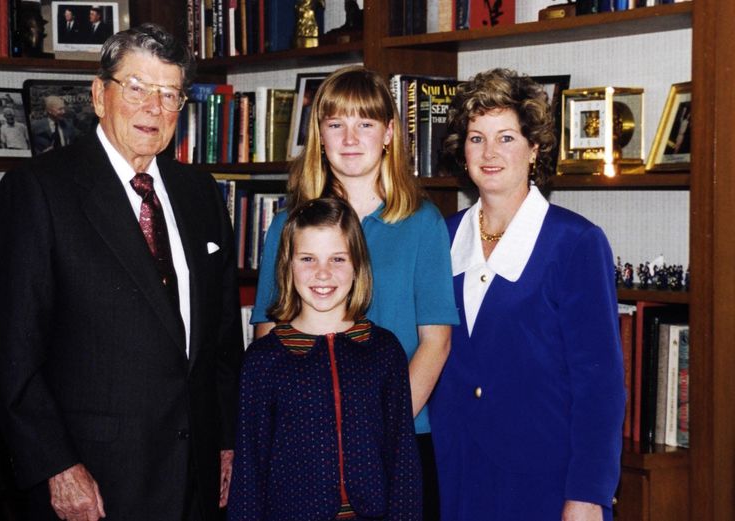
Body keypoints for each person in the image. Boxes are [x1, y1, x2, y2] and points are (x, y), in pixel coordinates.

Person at [0, 23, 243, 521]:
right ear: (100, 95)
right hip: (95, 483)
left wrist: (226, 439)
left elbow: (223, 339)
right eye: (138, 88)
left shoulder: (202, 195)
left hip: (195, 479)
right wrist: (57, 466)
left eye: (169, 95)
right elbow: (10, 353)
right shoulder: (39, 192)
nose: (153, 108)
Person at [250, 65, 458, 519]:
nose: (350, 138)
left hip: (401, 437)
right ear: (319, 137)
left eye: (365, 124)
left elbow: (436, 342)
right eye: (335, 124)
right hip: (304, 443)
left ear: (388, 133)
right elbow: (269, 336)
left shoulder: (423, 222)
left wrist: (380, 425)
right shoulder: (288, 226)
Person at [428, 68, 625, 521]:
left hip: (545, 479)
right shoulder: (444, 236)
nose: (490, 152)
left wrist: (588, 494)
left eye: (507, 138)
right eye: (477, 138)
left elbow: (601, 387)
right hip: (457, 475)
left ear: (534, 148)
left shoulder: (575, 242)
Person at [228, 197, 422, 520]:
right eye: (307, 259)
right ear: (288, 266)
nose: (322, 273)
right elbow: (249, 473)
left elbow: (403, 463)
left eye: (337, 259)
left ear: (358, 265)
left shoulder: (384, 352)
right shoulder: (263, 362)